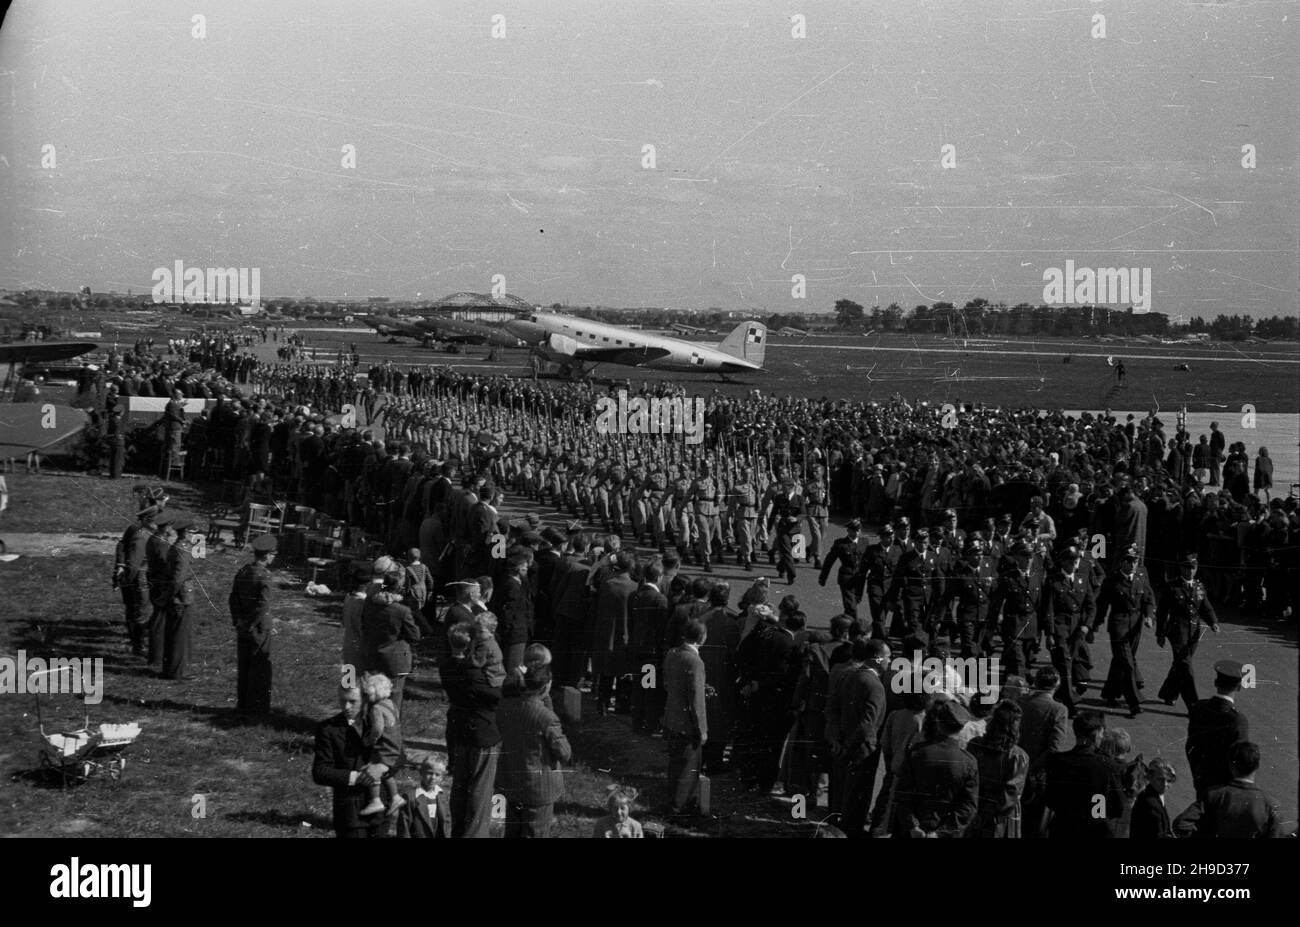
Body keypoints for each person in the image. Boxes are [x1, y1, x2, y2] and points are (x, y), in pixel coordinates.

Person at [440, 622, 501, 838]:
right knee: (480, 792)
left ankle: (458, 832)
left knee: (460, 787)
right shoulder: (473, 674)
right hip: (482, 733)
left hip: (458, 730)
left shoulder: (446, 665)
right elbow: (496, 698)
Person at [496, 663, 572, 837]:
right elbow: (564, 752)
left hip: (511, 780)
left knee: (513, 832)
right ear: (546, 686)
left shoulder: (506, 707)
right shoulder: (547, 718)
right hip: (538, 790)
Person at [891, 700, 979, 838]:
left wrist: (912, 825)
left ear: (938, 722)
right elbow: (967, 808)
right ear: (961, 728)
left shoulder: (917, 752)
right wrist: (941, 833)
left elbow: (903, 792)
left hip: (912, 831)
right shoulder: (968, 762)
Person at [311, 685, 383, 838]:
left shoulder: (379, 721)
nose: (347, 706)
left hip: (381, 810)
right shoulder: (328, 729)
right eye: (342, 701)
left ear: (365, 699)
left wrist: (381, 769)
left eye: (353, 701)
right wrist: (357, 777)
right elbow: (320, 772)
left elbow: (398, 756)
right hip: (350, 811)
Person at [1172, 741, 1284, 838]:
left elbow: (1181, 824)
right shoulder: (1271, 805)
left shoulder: (1213, 795)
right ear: (1257, 766)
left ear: (1231, 765)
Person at [1094, 544, 1154, 718]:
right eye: (1128, 561)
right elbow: (1102, 605)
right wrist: (1094, 625)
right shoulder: (1111, 580)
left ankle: (1110, 693)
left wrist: (1149, 616)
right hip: (1119, 625)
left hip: (1136, 626)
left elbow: (1148, 598)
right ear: (1121, 562)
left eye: (1135, 561)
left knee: (1122, 660)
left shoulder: (1142, 575)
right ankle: (1134, 703)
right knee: (1127, 663)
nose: (1132, 564)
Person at [1042, 710, 1124, 838]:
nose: (1102, 737)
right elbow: (1118, 806)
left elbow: (1050, 799)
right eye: (1101, 733)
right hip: (1094, 830)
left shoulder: (1057, 761)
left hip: (1062, 828)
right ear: (1095, 735)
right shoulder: (1106, 765)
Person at [1155, 553, 1219, 712]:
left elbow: (1205, 607)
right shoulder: (1172, 587)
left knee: (1180, 664)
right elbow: (1162, 612)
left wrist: (1213, 622)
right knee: (1185, 665)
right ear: (1181, 568)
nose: (1190, 571)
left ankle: (1168, 693)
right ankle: (1193, 704)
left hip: (1194, 631)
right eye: (1187, 568)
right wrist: (1160, 633)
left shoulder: (1199, 586)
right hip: (1177, 630)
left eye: (1193, 568)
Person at [662, 618, 709, 821]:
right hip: (687, 725)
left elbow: (668, 683)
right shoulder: (696, 662)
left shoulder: (672, 653)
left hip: (671, 719)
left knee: (674, 765)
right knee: (688, 770)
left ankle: (673, 802)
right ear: (702, 638)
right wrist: (702, 730)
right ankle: (679, 809)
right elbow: (697, 702)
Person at [1185, 660, 1250, 800]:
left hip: (1202, 780)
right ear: (1239, 687)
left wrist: (1198, 774)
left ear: (1215, 682)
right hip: (1225, 790)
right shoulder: (1238, 720)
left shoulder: (1199, 708)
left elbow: (1191, 746)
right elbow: (1241, 761)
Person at [1017, 668, 1069, 838]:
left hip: (1016, 766)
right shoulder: (1058, 709)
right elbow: (1055, 748)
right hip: (1038, 774)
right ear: (1056, 685)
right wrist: (1033, 768)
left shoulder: (1021, 701)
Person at [362, 568, 421, 715]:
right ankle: (390, 732)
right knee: (393, 699)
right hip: (395, 660)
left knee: (374, 695)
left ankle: (371, 729)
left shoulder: (370, 605)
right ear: (399, 587)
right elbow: (415, 635)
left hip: (373, 655)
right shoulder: (402, 611)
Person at [229, 534, 277, 716]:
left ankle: (243, 705)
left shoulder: (243, 571)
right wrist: (249, 624)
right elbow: (262, 606)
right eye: (273, 554)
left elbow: (233, 598)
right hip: (258, 628)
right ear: (267, 555)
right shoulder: (265, 576)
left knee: (244, 667)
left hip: (243, 627)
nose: (274, 557)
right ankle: (258, 709)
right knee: (260, 670)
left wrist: (239, 621)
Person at [967, 700, 1030, 838]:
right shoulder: (1018, 756)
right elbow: (1010, 794)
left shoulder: (974, 745)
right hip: (999, 818)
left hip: (975, 808)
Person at [114, 503, 158, 657]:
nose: (156, 523)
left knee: (133, 610)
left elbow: (121, 544)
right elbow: (134, 562)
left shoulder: (134, 528)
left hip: (133, 577)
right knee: (141, 612)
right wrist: (127, 580)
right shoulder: (142, 535)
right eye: (154, 519)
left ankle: (135, 642)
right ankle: (139, 646)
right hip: (139, 578)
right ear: (147, 519)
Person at [358, 672, 405, 818]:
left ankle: (375, 800)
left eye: (368, 695)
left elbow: (378, 729)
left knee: (373, 768)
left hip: (386, 747)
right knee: (387, 773)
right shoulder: (391, 703)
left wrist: (370, 740)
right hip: (396, 746)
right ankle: (396, 797)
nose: (366, 698)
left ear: (376, 693)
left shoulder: (376, 708)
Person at [161, 519, 198, 680]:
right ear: (187, 533)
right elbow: (178, 578)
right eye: (193, 533)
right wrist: (171, 595)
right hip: (182, 597)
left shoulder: (175, 546)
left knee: (174, 633)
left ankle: (171, 669)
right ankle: (179, 671)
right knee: (181, 636)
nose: (193, 537)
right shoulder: (184, 549)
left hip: (176, 596)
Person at [818, 518, 869, 621]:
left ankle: (846, 624)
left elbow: (868, 559)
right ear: (849, 531)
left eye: (858, 530)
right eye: (854, 530)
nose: (857, 532)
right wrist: (823, 578)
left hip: (860, 579)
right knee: (851, 606)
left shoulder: (864, 542)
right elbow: (829, 560)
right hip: (847, 577)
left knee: (854, 602)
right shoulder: (840, 544)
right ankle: (855, 628)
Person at [395, 755, 451, 838]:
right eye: (430, 773)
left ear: (442, 777)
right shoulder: (410, 796)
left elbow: (447, 821)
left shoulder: (442, 795)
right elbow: (404, 825)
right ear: (421, 772)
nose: (433, 777)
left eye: (437, 775)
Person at [1129, 757, 1176, 839]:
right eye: (1160, 780)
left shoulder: (1151, 794)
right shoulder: (1152, 805)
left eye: (1169, 781)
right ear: (1150, 777)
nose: (1165, 784)